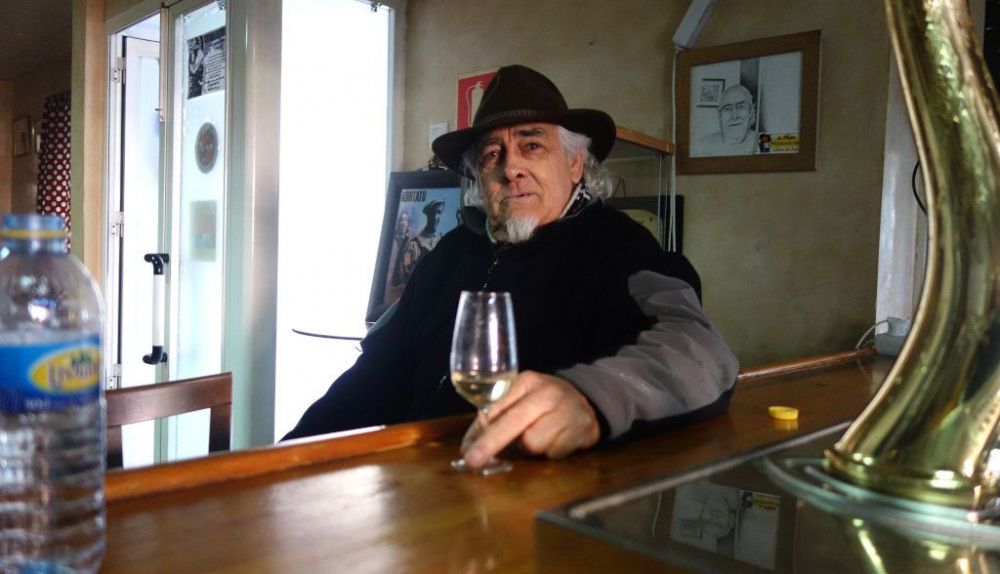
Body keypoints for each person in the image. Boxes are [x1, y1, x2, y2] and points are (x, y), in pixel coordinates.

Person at [284, 65, 738, 469]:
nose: (510, 168)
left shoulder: (622, 248)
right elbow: (375, 373)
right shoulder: (449, 252)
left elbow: (698, 350)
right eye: (491, 154)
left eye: (532, 145)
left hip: (536, 505)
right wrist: (286, 459)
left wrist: (587, 399)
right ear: (479, 177)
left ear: (575, 163)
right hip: (419, 488)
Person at [694, 84, 758, 157]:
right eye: (727, 108)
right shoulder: (704, 145)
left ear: (750, 111)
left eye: (740, 106)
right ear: (720, 116)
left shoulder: (763, 141)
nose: (734, 115)